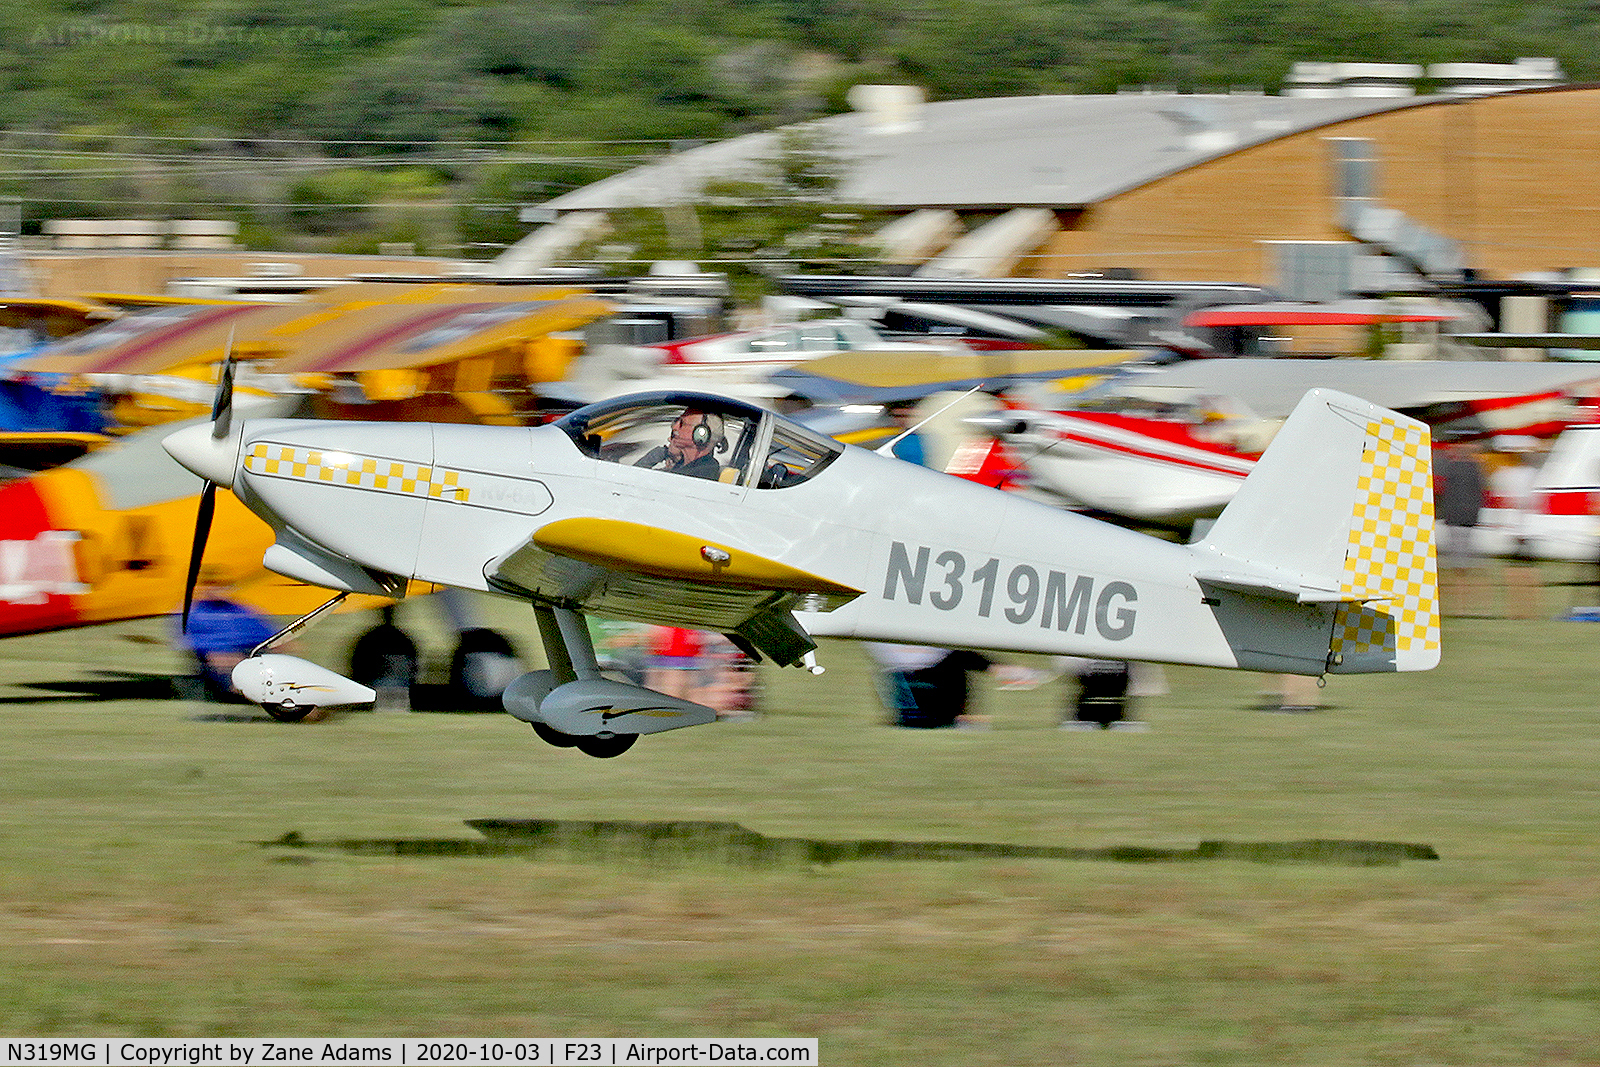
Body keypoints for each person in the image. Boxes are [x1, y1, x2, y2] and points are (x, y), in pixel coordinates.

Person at [173, 568, 278, 703]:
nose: (215, 590)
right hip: (215, 660)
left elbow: (264, 632)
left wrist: (280, 643)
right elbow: (191, 641)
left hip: (249, 655)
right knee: (225, 664)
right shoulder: (191, 612)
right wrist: (222, 655)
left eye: (218, 585)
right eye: (210, 585)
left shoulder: (237, 609)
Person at [635, 407, 725, 480]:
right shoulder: (684, 466)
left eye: (682, 423)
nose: (675, 427)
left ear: (701, 434)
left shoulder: (703, 473)